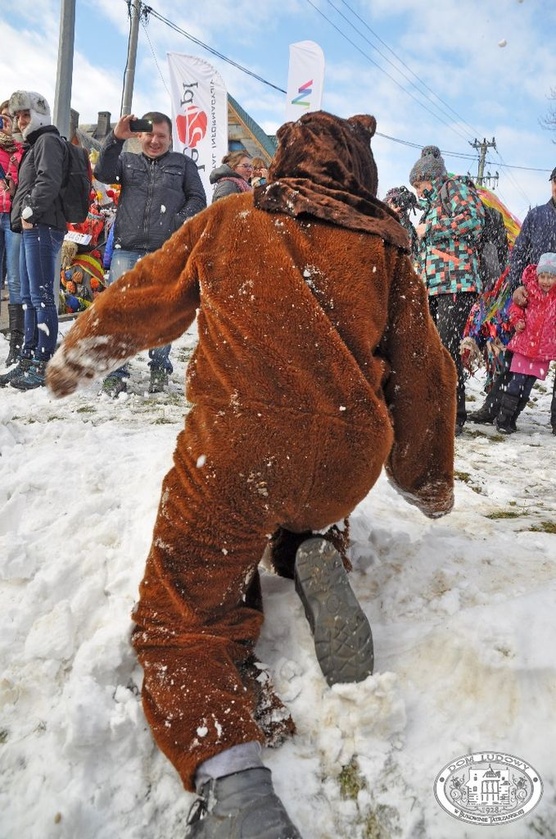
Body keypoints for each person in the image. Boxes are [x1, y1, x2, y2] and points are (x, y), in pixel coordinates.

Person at [46, 110, 456, 839]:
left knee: (181, 612)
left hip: (238, 451)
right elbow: (426, 377)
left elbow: (146, 295)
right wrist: (426, 479)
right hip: (345, 458)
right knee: (304, 490)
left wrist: (79, 353)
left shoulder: (233, 217)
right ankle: (310, 546)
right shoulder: (387, 248)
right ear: (359, 169)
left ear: (287, 159)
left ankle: (235, 784)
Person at [93, 111, 206, 396]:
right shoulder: (127, 161)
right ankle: (117, 371)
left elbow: (198, 199)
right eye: (150, 134)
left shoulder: (183, 164)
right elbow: (102, 173)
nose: (155, 141)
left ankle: (159, 367)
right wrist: (116, 138)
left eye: (162, 136)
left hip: (164, 251)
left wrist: (175, 222)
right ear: (140, 135)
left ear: (170, 138)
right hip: (126, 249)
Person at [469, 167, 556, 430]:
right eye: (555, 182)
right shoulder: (538, 215)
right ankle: (496, 408)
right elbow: (519, 252)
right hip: (532, 299)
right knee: (515, 356)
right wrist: (518, 285)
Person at [409, 145, 485, 435]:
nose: (418, 191)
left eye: (420, 184)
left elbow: (473, 221)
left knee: (445, 348)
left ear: (432, 177)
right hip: (436, 286)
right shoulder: (429, 205)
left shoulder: (455, 188)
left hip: (457, 282)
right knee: (436, 347)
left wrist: (430, 229)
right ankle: (442, 412)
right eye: (415, 187)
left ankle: (453, 416)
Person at [0, 91, 66, 390]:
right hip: (32, 227)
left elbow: (48, 181)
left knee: (40, 297)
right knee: (28, 298)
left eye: (25, 114)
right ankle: (28, 357)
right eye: (17, 116)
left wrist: (29, 211)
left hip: (42, 226)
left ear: (39, 112)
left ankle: (43, 362)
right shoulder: (34, 144)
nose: (20, 121)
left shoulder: (48, 141)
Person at [494, 253, 556, 434]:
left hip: (543, 352)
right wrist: (517, 320)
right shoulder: (528, 291)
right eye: (543, 276)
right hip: (524, 346)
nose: (546, 281)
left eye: (551, 277)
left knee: (527, 388)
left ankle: (513, 419)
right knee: (516, 383)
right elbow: (515, 308)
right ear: (537, 276)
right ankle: (503, 419)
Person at [0, 100, 24, 367]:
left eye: (12, 118)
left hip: (13, 217)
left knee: (15, 280)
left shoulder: (20, 148)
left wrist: (14, 140)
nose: (7, 122)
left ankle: (16, 343)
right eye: (3, 117)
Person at [384, 185, 419, 260]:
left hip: (410, 258)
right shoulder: (385, 224)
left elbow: (422, 206)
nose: (397, 206)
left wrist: (412, 201)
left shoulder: (409, 228)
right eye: (394, 203)